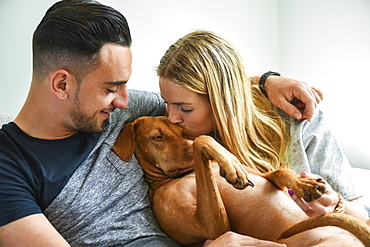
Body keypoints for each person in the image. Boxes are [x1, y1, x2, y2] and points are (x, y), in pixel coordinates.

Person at [0, 1, 323, 247]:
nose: (125, 101)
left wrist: (267, 80)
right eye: (111, 88)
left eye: (125, 86)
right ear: (61, 84)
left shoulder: (124, 112)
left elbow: (204, 96)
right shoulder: (8, 163)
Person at [157, 30, 369, 234]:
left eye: (185, 109)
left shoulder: (297, 119)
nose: (172, 117)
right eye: (167, 103)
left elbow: (361, 218)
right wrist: (267, 78)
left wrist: (335, 205)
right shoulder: (175, 141)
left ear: (222, 102)